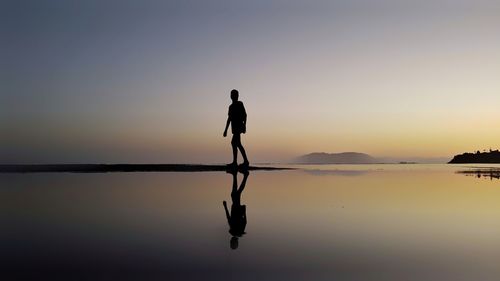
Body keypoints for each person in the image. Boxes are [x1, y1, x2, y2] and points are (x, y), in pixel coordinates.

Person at [223, 169, 249, 249]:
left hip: (237, 210)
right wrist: (225, 206)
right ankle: (243, 176)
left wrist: (244, 212)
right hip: (237, 210)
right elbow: (229, 218)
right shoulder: (234, 231)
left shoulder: (237, 232)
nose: (231, 241)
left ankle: (236, 175)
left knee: (235, 194)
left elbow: (245, 222)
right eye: (232, 242)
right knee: (235, 194)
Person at [223, 89, 249, 167]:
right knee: (237, 143)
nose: (233, 96)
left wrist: (244, 125)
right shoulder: (230, 107)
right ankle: (242, 161)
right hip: (234, 128)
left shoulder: (240, 104)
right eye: (232, 95)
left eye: (235, 95)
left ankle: (240, 162)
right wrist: (226, 130)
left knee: (234, 143)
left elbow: (245, 115)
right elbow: (229, 119)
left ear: (237, 96)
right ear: (231, 96)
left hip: (239, 126)